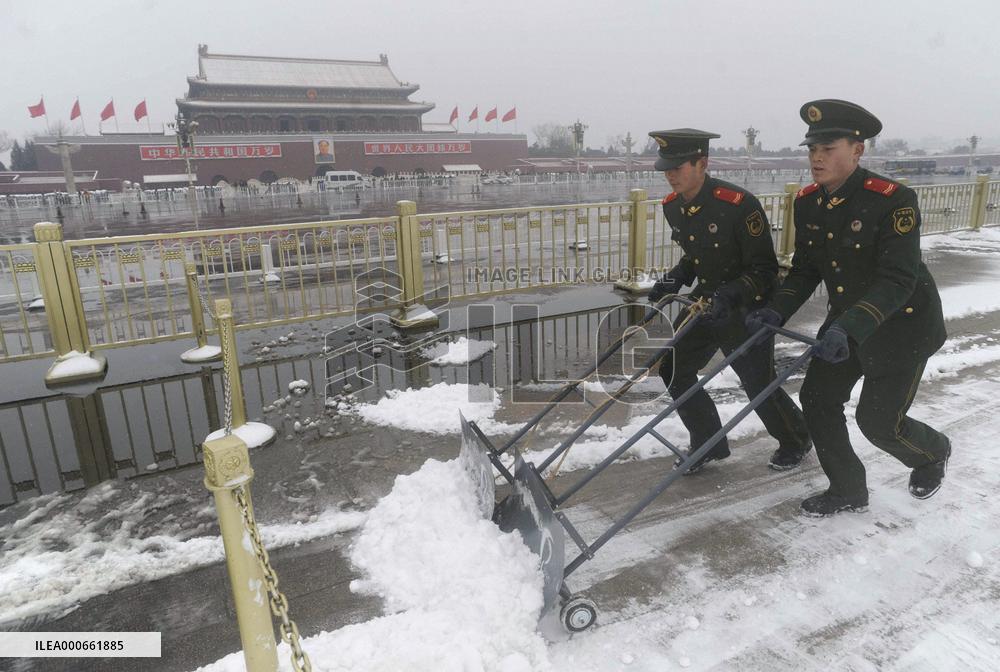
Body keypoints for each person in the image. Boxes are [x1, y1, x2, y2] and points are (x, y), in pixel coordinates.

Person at [746, 100, 951, 516]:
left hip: (901, 327)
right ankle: (848, 489)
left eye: (828, 148)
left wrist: (850, 326)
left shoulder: (894, 200)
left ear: (858, 150)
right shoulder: (807, 203)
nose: (816, 158)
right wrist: (776, 310)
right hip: (846, 324)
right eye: (811, 149)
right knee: (818, 400)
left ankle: (931, 453)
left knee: (878, 423)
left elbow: (898, 279)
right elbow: (805, 269)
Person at [648, 129, 812, 474]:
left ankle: (796, 439)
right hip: (706, 301)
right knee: (672, 366)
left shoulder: (738, 205)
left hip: (746, 306)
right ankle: (708, 441)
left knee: (757, 383)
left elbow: (765, 269)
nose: (670, 175)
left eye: (678, 167)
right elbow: (698, 254)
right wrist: (676, 276)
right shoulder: (673, 207)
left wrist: (732, 293)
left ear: (702, 163)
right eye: (667, 168)